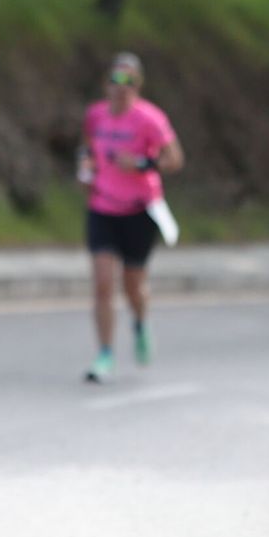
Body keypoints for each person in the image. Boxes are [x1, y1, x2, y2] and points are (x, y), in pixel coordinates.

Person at [77, 52, 184, 383]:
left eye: (129, 81)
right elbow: (86, 148)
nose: (121, 88)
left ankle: (140, 322)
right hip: (102, 207)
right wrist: (85, 167)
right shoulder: (95, 116)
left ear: (138, 86)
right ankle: (104, 354)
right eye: (116, 80)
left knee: (132, 284)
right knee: (103, 283)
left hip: (139, 210)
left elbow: (175, 159)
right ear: (106, 84)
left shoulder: (149, 119)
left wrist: (141, 164)